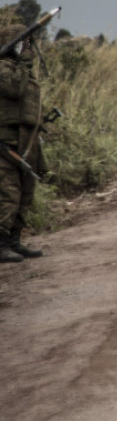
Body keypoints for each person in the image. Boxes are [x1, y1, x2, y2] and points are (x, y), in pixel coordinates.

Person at [0, 24, 45, 261]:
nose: (27, 48)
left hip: (24, 140)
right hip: (6, 141)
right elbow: (14, 89)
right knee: (9, 193)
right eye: (23, 43)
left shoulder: (19, 68)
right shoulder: (3, 67)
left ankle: (14, 241)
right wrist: (26, 62)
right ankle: (1, 243)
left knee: (26, 192)